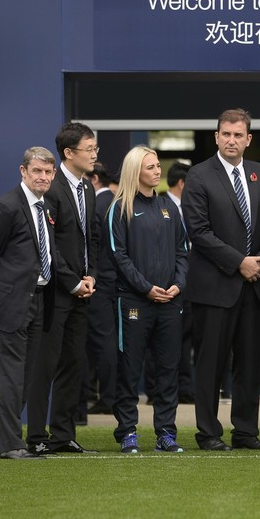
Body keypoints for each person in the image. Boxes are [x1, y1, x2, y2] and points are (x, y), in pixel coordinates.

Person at [182, 108, 260, 451]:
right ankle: (208, 433)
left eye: (238, 135)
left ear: (248, 139)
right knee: (211, 364)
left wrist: (259, 262)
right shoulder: (199, 175)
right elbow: (199, 231)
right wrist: (239, 262)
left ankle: (245, 432)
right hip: (215, 287)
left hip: (255, 286)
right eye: (225, 134)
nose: (231, 140)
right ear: (216, 137)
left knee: (250, 364)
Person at [0, 147, 59, 460]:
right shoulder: (6, 207)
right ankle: (11, 444)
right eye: (37, 171)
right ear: (23, 171)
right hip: (9, 303)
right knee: (11, 377)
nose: (43, 177)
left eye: (48, 172)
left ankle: (2, 443)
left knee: (23, 378)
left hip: (38, 301)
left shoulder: (45, 207)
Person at [108, 146, 188, 453]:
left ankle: (166, 433)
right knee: (130, 371)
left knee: (168, 371)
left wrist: (178, 284)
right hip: (134, 302)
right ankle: (127, 431)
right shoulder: (120, 208)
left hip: (170, 302)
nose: (158, 171)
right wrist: (145, 288)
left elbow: (182, 251)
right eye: (151, 167)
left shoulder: (169, 207)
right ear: (135, 172)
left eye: (157, 166)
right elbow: (118, 256)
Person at [26, 123, 99, 455]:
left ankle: (62, 435)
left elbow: (91, 239)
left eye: (95, 148)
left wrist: (91, 276)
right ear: (69, 153)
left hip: (83, 290)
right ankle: (36, 436)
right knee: (46, 365)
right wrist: (72, 282)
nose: (94, 154)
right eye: (89, 149)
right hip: (55, 293)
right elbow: (48, 244)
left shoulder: (87, 189)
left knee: (73, 363)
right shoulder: (51, 190)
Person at [84, 162, 118, 416]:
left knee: (103, 341)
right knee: (109, 339)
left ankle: (107, 398)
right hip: (115, 281)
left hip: (101, 282)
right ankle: (107, 395)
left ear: (95, 179)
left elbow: (93, 247)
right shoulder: (116, 202)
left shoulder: (97, 204)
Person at [165, 162, 195, 405]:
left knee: (186, 336)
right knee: (163, 336)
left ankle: (184, 387)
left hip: (189, 281)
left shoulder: (191, 208)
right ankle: (158, 388)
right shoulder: (160, 204)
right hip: (165, 281)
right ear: (183, 183)